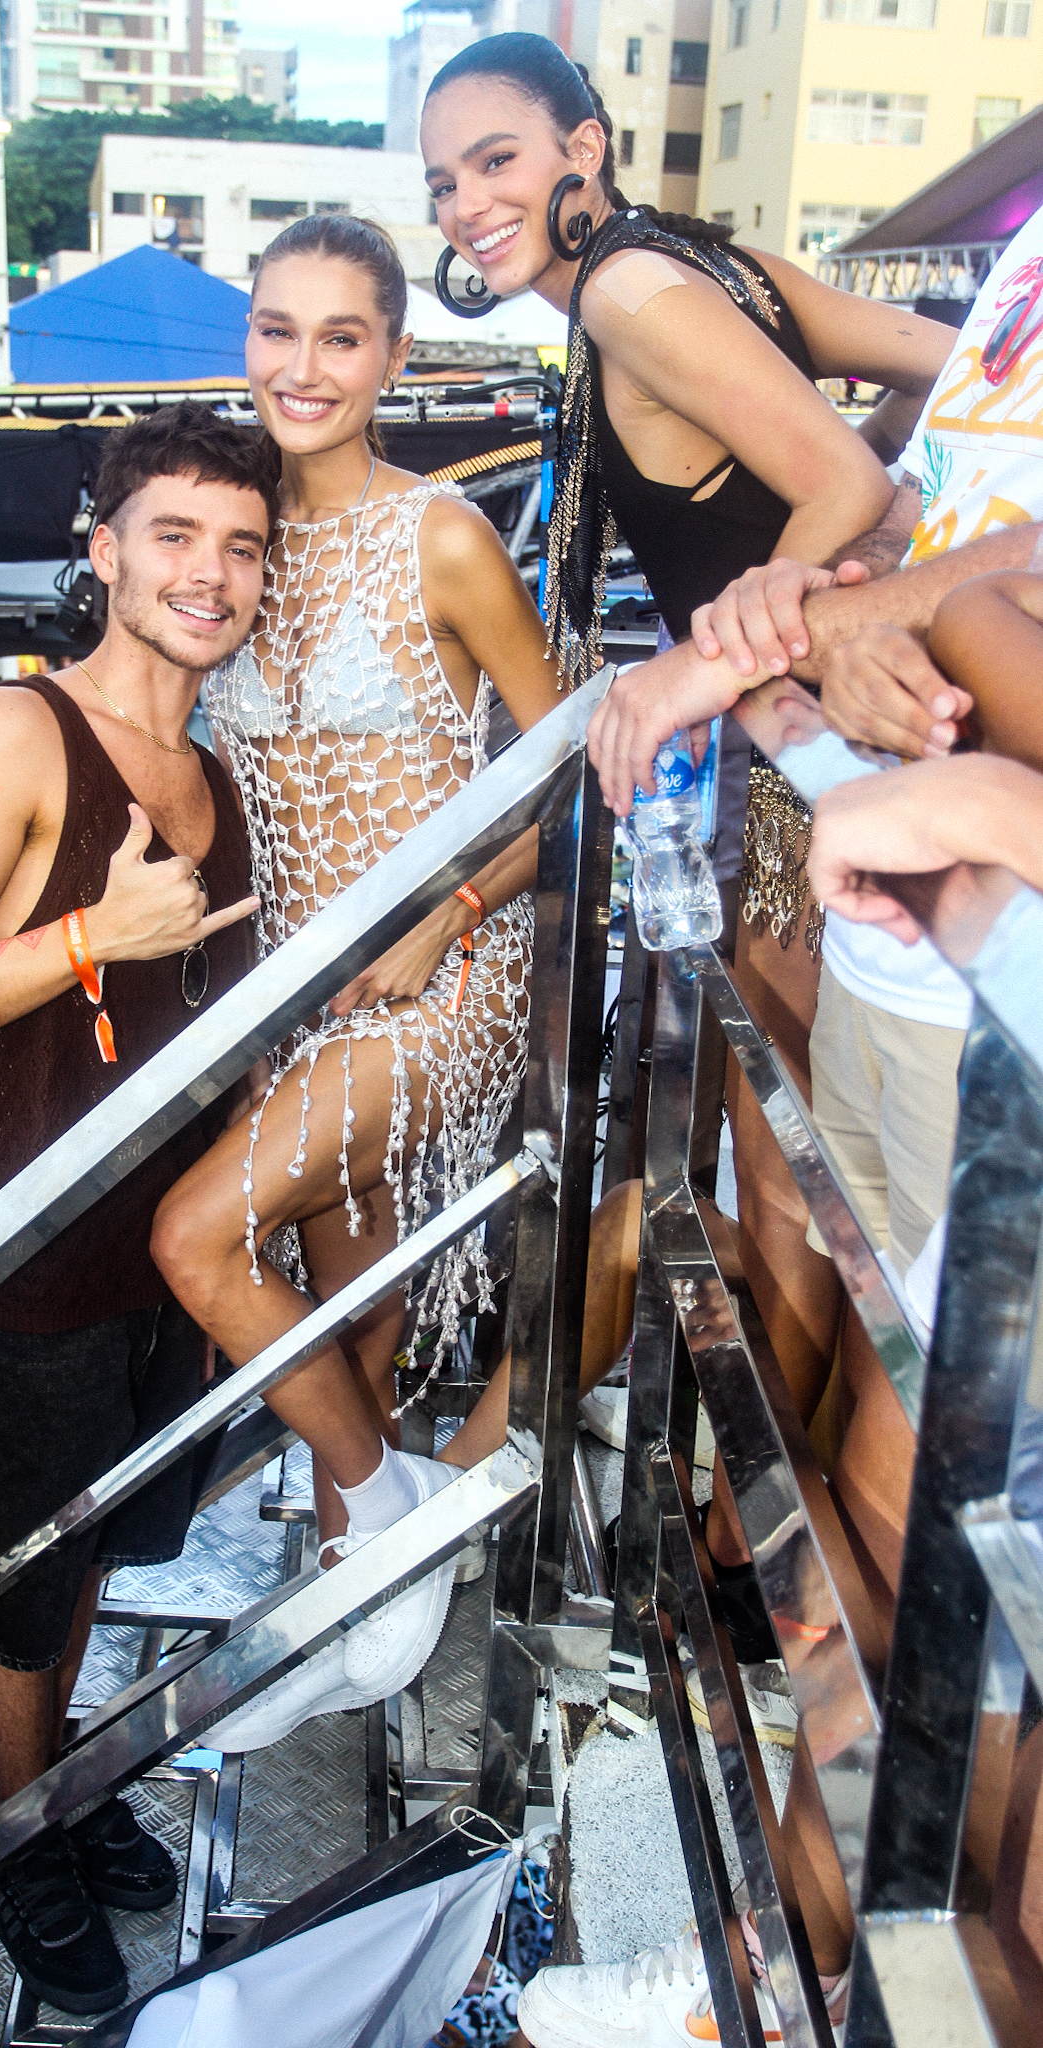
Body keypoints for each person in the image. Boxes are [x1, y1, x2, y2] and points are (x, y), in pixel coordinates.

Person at [419, 30, 955, 1645]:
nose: (464, 203)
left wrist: (736, 635)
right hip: (820, 752)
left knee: (793, 1195)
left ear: (583, 147)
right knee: (790, 1179)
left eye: (496, 159)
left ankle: (748, 1560)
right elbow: (962, 355)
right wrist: (894, 534)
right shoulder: (701, 267)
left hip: (801, 782)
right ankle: (755, 1544)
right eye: (442, 180)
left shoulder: (630, 300)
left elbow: (841, 471)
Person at [0, 401, 268, 2018]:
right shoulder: (16, 737)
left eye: (240, 545)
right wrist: (91, 929)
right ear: (103, 549)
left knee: (83, 1549)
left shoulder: (213, 772)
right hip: (17, 1256)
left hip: (149, 1253)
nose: (208, 573)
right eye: (173, 534)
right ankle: (14, 1830)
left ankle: (44, 1788)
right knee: (20, 1579)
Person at [148, 213, 565, 1756]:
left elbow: (571, 776)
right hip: (301, 993)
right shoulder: (230, 542)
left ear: (392, 355)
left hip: (446, 973)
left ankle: (397, 1529)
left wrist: (446, 915)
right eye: (276, 329)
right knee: (348, 1308)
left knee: (200, 1235)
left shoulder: (441, 535)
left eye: (341, 336)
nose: (302, 366)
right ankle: (349, 1605)